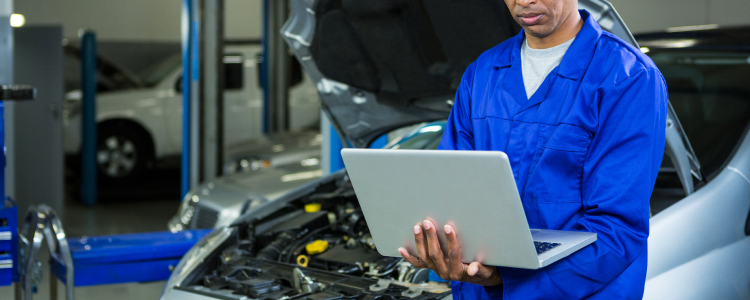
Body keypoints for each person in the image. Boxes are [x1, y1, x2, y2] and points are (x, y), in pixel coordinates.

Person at [397, 0, 668, 299]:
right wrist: (440, 249)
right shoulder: (482, 73)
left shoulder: (628, 77)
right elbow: (449, 196)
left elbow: (617, 231)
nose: (524, 1)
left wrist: (504, 276)